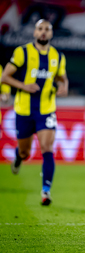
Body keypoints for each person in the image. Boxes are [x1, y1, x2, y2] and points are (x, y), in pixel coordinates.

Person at [1, 19, 68, 206]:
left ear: (52, 33)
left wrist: (64, 86)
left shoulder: (58, 56)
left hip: (46, 109)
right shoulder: (22, 52)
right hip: (24, 110)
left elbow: (62, 76)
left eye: (47, 29)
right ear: (35, 33)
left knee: (47, 148)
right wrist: (23, 86)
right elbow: (5, 77)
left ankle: (46, 191)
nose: (43, 32)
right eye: (40, 29)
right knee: (25, 153)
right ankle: (18, 156)